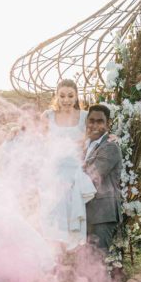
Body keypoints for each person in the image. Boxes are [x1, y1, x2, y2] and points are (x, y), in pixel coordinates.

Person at [38, 79, 95, 252]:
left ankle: (72, 262)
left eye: (70, 95)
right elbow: (37, 139)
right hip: (53, 172)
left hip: (75, 173)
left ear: (76, 96)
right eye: (62, 95)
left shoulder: (85, 116)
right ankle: (54, 258)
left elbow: (98, 132)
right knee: (53, 217)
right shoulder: (48, 116)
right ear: (56, 96)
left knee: (73, 218)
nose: (66, 100)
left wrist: (110, 137)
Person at [82, 103, 123, 263]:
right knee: (86, 264)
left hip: (102, 214)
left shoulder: (110, 148)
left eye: (100, 121)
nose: (94, 125)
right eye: (91, 121)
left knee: (95, 264)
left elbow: (92, 175)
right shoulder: (86, 146)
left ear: (108, 124)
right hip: (86, 212)